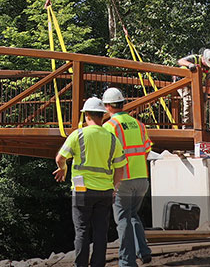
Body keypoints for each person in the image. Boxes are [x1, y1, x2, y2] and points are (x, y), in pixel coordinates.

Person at [54, 97, 127, 267]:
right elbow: (120, 168)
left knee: (82, 231)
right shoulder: (112, 138)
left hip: (82, 190)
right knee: (101, 232)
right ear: (103, 116)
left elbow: (59, 158)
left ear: (86, 115)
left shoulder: (78, 135)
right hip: (105, 192)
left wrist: (62, 169)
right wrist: (115, 188)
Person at [102, 87, 153, 266]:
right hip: (142, 179)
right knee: (132, 215)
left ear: (107, 106)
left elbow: (106, 156)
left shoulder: (109, 126)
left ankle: (127, 261)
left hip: (123, 180)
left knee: (123, 219)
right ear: (123, 104)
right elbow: (146, 150)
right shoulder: (138, 124)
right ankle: (143, 252)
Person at [176, 48, 210, 126]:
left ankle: (202, 125)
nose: (207, 67)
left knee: (202, 102)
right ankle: (187, 125)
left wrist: (206, 93)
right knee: (188, 100)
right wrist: (189, 65)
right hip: (182, 83)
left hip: (195, 85)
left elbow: (208, 81)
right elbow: (180, 61)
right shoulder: (194, 58)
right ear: (203, 58)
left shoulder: (209, 68)